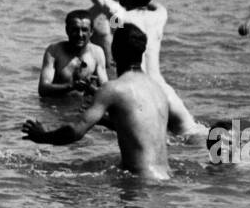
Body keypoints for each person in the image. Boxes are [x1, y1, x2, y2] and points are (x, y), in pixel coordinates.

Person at [38, 0, 200, 135]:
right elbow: (148, 1)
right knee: (194, 136)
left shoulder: (120, 15)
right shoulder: (160, 15)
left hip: (141, 94)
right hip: (164, 92)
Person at [23, 24, 172, 180]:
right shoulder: (158, 89)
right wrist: (106, 121)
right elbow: (141, 128)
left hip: (141, 183)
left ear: (114, 52)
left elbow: (75, 132)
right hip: (165, 181)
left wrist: (42, 136)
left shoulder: (113, 88)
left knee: (60, 196)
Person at [39, 10, 108, 99]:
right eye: (75, 30)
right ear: (67, 30)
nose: (80, 34)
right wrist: (71, 86)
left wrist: (90, 88)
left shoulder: (97, 52)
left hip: (82, 108)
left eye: (84, 30)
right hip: (57, 109)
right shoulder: (54, 51)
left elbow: (106, 91)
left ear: (91, 32)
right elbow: (43, 89)